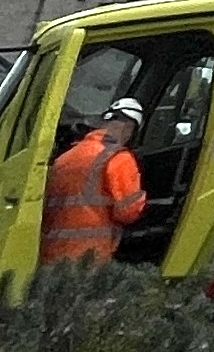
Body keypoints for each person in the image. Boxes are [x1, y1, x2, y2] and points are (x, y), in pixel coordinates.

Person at [42, 97, 147, 265]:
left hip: (50, 254)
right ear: (129, 128)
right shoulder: (118, 158)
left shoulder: (67, 157)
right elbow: (128, 212)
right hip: (88, 257)